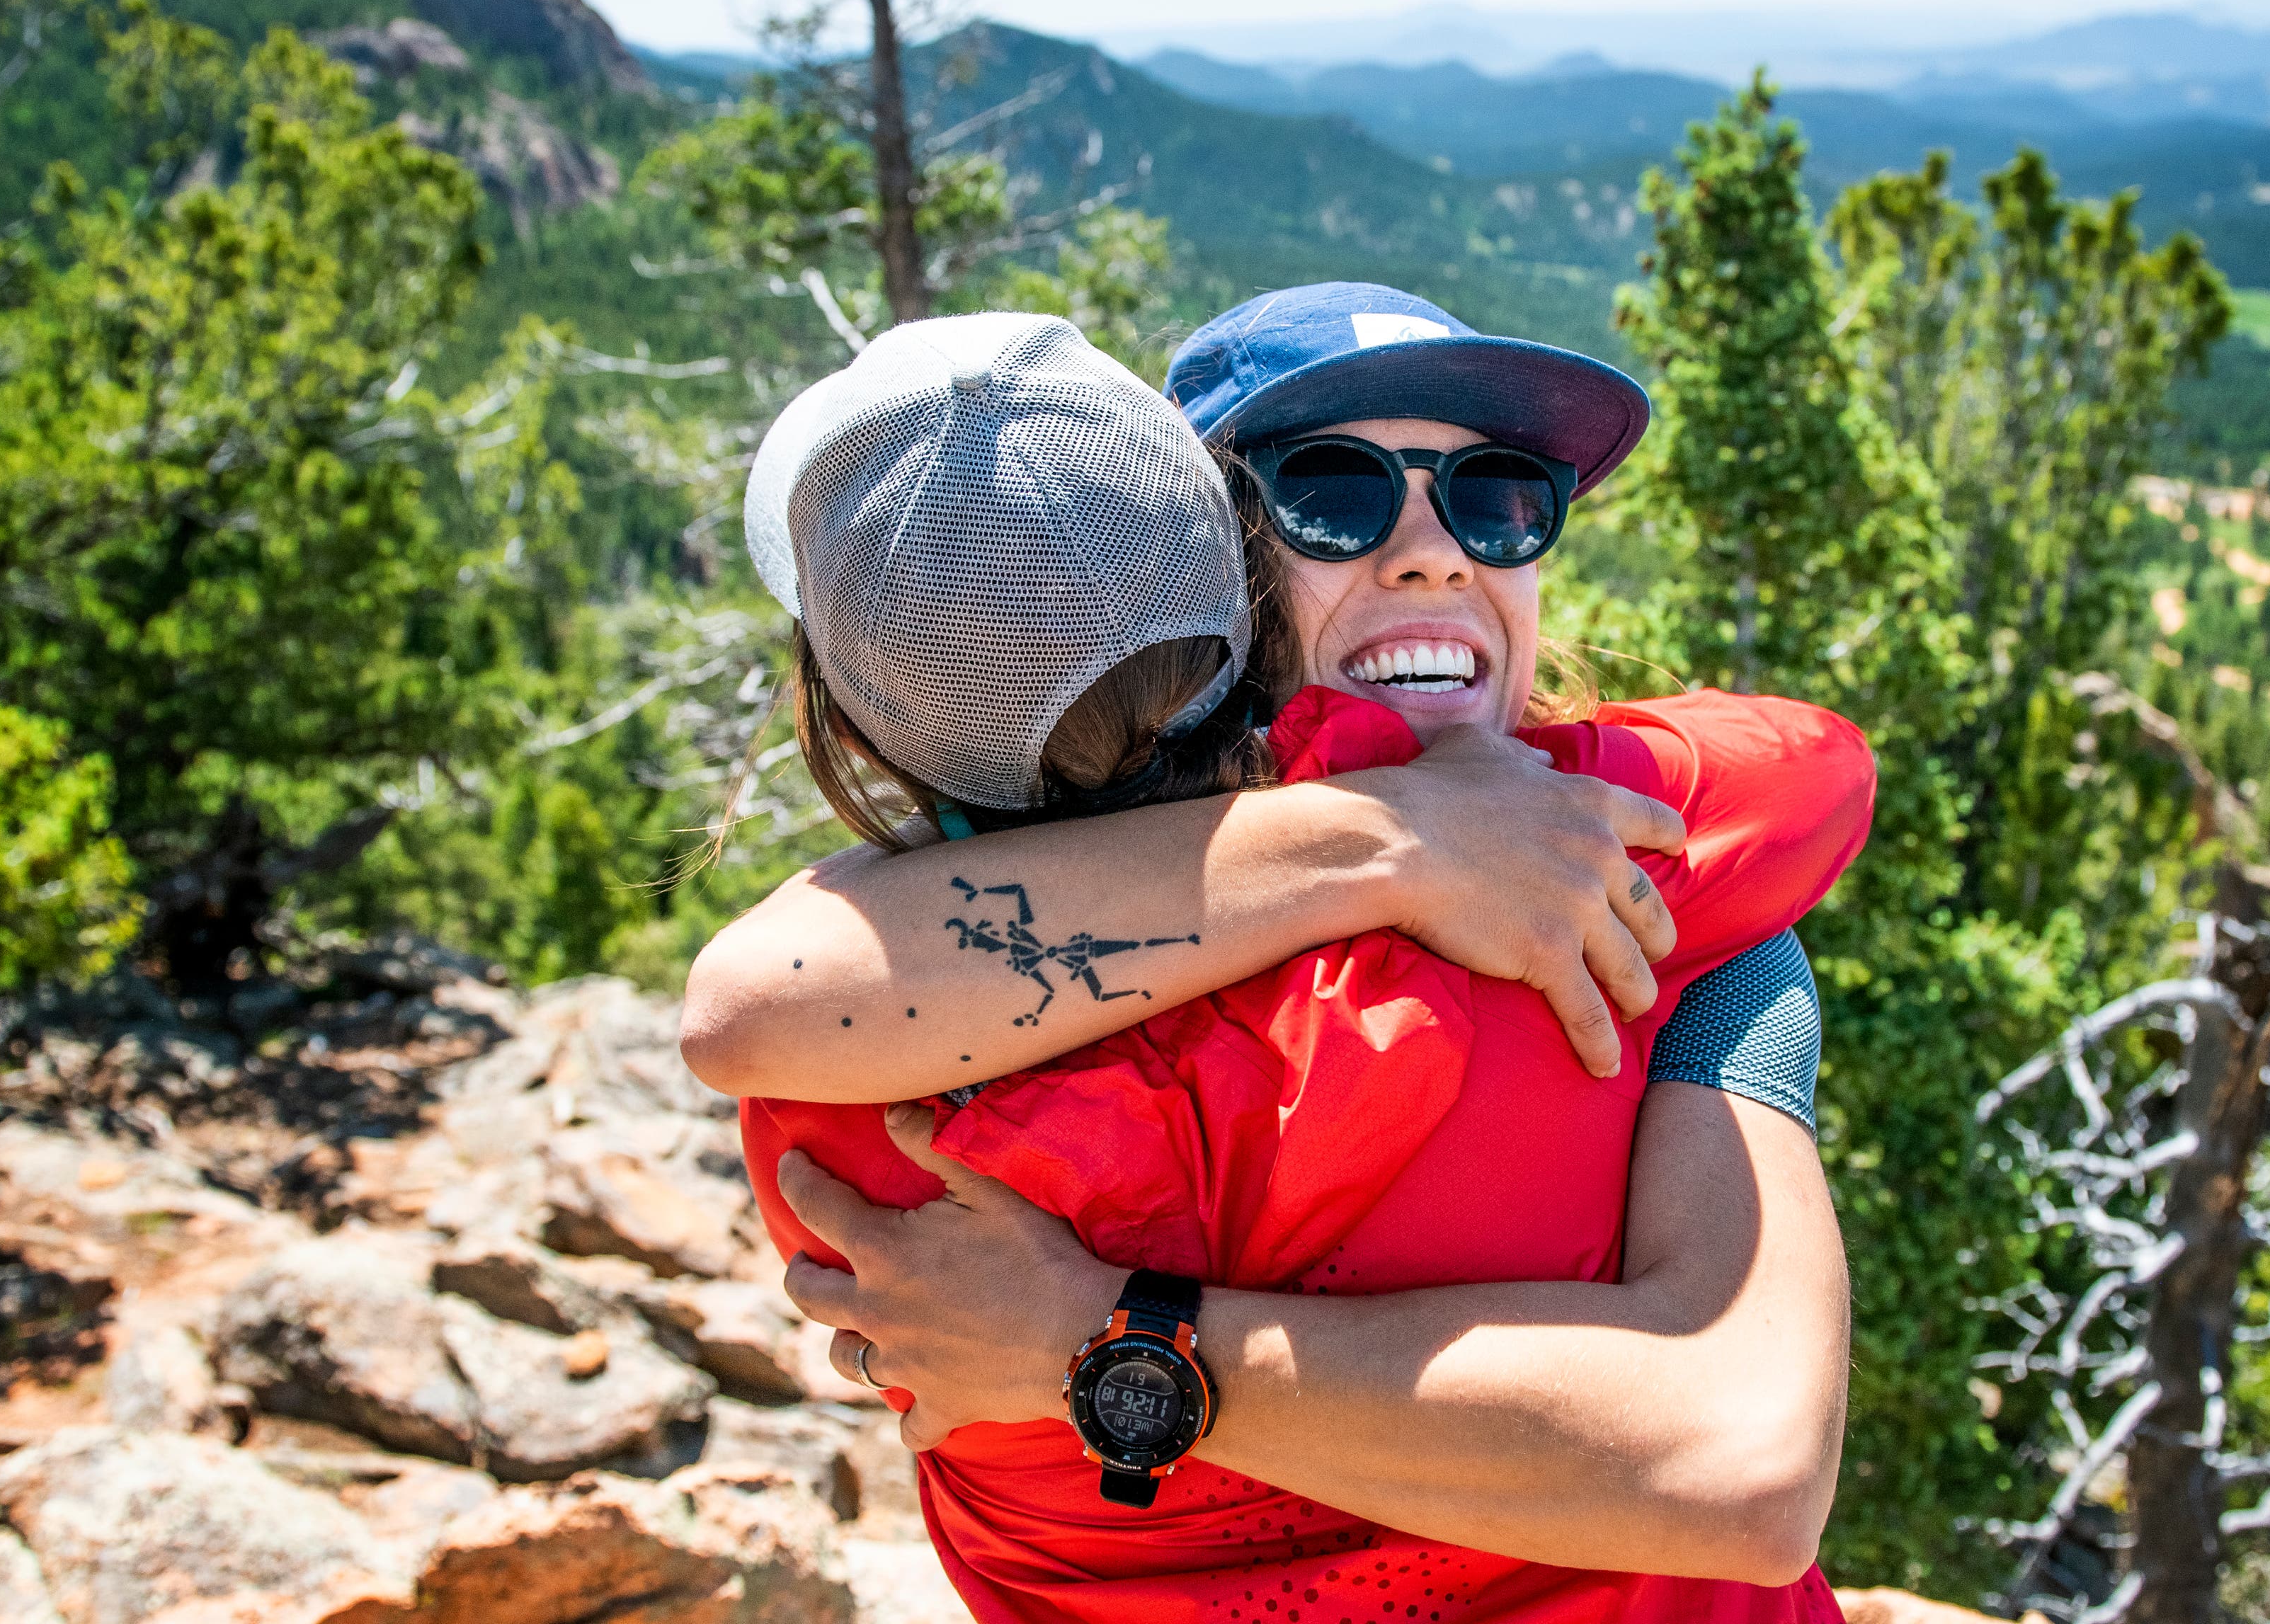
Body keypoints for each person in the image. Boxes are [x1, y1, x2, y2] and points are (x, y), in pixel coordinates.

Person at [685, 285, 1865, 1611]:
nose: (1436, 554)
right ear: (1200, 564)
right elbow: (747, 1003)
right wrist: (1391, 833)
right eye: (1330, 491)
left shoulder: (1643, 892)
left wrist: (1104, 1339)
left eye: (1503, 495)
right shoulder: (1679, 868)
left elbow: (1748, 1470)